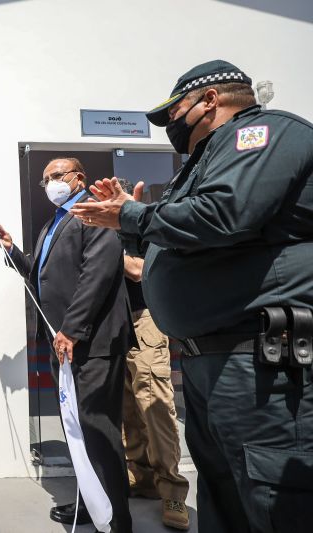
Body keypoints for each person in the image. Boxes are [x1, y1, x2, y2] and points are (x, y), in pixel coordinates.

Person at [71, 60, 313, 533]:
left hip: (260, 362)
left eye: (173, 112)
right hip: (212, 360)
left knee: (270, 500)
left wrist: (132, 216)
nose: (170, 125)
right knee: (223, 495)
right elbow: (183, 242)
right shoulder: (206, 159)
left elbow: (224, 215)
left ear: (210, 100)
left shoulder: (261, 134)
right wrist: (132, 225)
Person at [0, 157, 135, 533]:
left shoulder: (94, 212)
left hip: (92, 342)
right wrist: (12, 250)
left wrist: (71, 330)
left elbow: (97, 274)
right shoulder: (53, 222)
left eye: (56, 176)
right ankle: (93, 502)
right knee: (77, 428)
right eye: (46, 180)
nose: (51, 183)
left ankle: (117, 520)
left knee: (98, 429)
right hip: (64, 344)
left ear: (78, 178)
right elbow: (40, 275)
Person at [115, 178, 189, 530]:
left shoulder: (145, 224)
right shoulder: (95, 228)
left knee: (154, 405)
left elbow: (139, 270)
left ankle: (172, 490)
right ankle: (141, 476)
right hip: (113, 325)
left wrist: (109, 245)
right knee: (127, 407)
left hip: (143, 319)